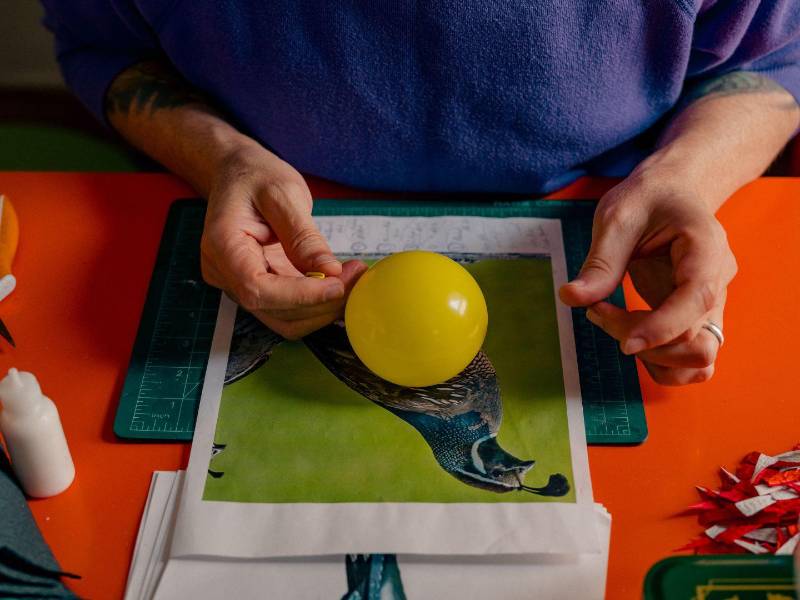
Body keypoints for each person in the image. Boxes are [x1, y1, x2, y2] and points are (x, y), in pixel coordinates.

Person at [41, 2, 799, 385]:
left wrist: (683, 179)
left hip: (610, 202)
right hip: (265, 210)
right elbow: (104, 45)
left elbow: (775, 64)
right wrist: (221, 159)